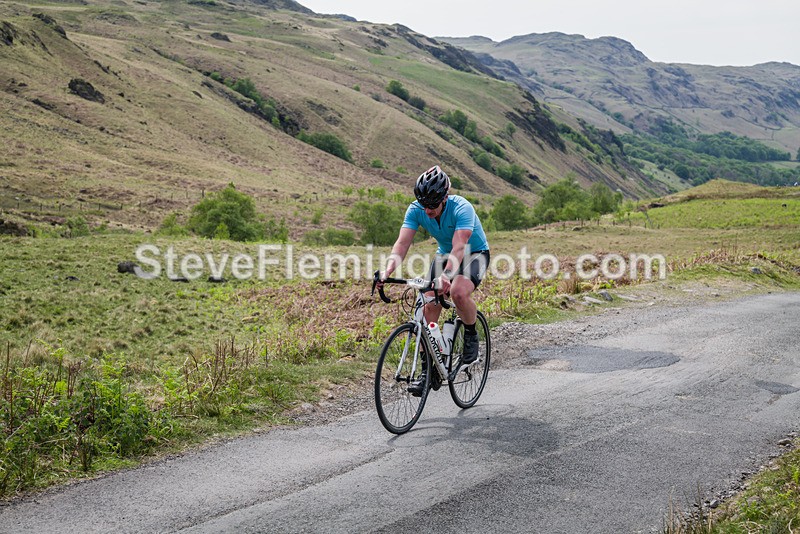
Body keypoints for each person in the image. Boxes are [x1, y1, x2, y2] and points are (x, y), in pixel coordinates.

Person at [380, 165, 490, 396]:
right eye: (424, 204)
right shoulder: (416, 209)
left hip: (474, 253)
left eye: (432, 204)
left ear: (444, 198)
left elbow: (460, 247)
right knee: (426, 307)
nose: (427, 209)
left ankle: (471, 335)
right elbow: (402, 243)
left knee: (458, 292)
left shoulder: (462, 208)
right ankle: (428, 370)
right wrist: (387, 270)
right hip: (444, 255)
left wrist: (447, 276)